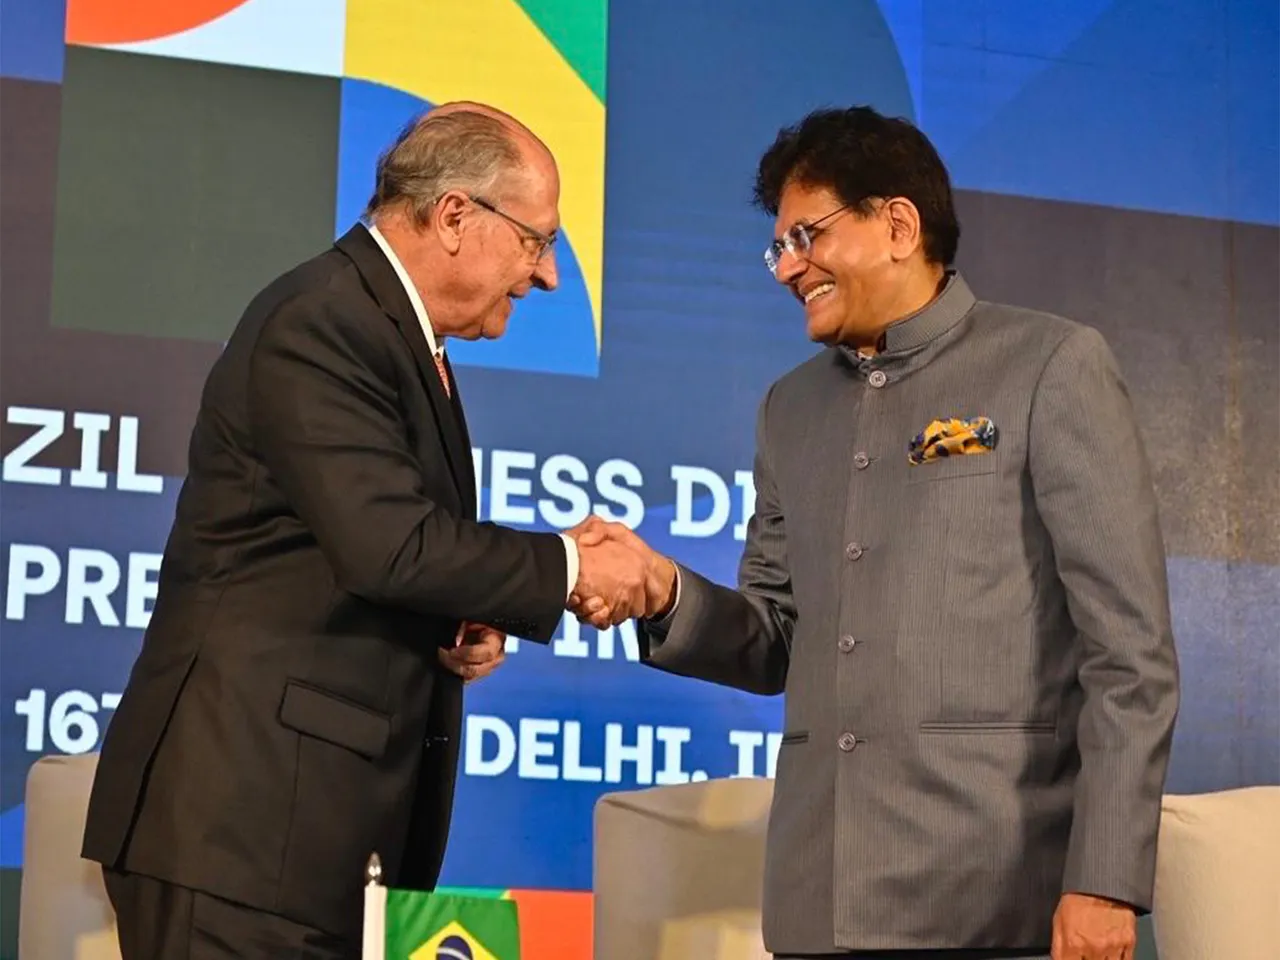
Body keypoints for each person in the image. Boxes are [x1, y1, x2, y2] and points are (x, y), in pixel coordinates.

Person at [572, 106, 1180, 960]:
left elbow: (1130, 655)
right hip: (816, 902)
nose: (790, 267)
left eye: (807, 236)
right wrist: (664, 593)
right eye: (778, 249)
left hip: (997, 896)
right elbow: (773, 637)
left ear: (898, 225)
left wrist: (1105, 882)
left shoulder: (1050, 365)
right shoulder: (790, 408)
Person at [82, 102, 647, 959]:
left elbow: (352, 549)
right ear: (454, 216)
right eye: (537, 241)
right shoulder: (324, 319)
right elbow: (391, 546)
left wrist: (456, 613)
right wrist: (571, 566)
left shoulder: (393, 333)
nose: (548, 277)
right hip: (241, 837)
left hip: (307, 847)